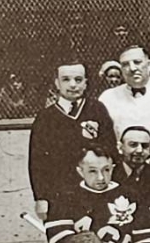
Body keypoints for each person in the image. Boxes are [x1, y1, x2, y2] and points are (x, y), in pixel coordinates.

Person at [27, 60, 116, 222]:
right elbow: (37, 161)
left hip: (95, 190)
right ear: (57, 83)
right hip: (60, 192)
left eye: (78, 79)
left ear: (86, 83)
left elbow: (111, 151)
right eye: (66, 79)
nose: (73, 85)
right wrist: (41, 198)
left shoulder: (97, 109)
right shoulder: (46, 117)